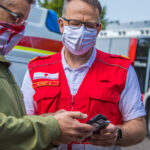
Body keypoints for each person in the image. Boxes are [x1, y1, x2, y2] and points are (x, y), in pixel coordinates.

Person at [21, 0, 146, 150]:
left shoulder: (121, 70)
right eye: (74, 23)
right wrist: (52, 125)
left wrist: (118, 134)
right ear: (61, 25)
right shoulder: (36, 69)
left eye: (89, 25)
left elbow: (138, 127)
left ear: (98, 29)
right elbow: (23, 123)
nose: (81, 31)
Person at [0, 0, 95, 149]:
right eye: (16, 17)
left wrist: (52, 119)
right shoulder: (34, 68)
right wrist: (53, 127)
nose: (18, 27)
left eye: (23, 21)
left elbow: (15, 122)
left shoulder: (3, 66)